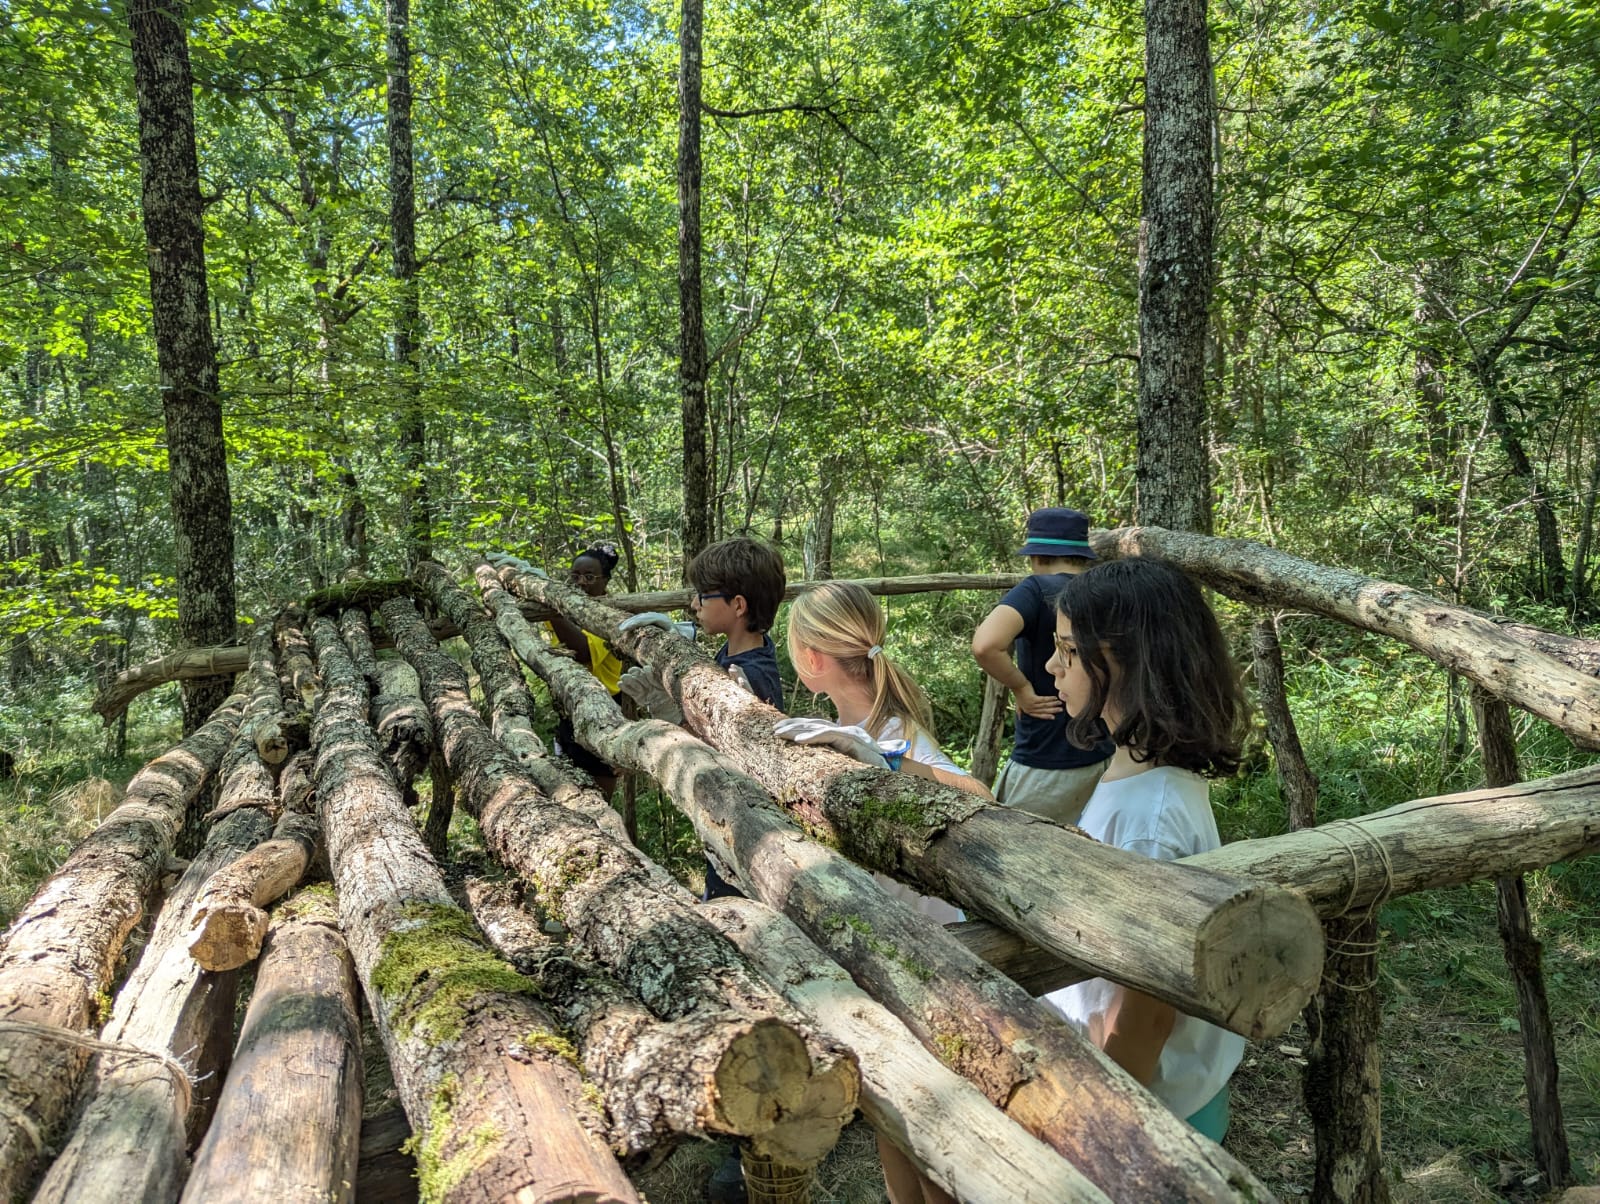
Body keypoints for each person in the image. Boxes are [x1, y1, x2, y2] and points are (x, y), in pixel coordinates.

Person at [774, 580, 989, 1204]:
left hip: (923, 954)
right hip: (878, 949)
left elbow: (978, 797)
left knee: (934, 1130)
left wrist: (886, 764)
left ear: (812, 659)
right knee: (890, 1107)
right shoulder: (847, 725)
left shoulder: (893, 735)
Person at [1040, 557, 1249, 1143]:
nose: (1052, 666)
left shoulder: (1147, 820)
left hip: (1143, 1106)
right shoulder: (1140, 773)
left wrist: (1097, 1125)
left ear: (1123, 659)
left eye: (1068, 651)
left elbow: (1146, 1010)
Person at [971, 507, 1114, 826]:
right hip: (1104, 755)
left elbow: (985, 645)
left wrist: (1021, 688)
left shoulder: (1035, 590)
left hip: (1045, 762)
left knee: (1010, 849)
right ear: (1082, 555)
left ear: (1036, 556)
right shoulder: (1106, 590)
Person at [545, 544, 625, 797]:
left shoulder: (610, 617)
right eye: (575, 576)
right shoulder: (571, 611)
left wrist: (552, 604)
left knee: (598, 796)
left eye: (589, 577)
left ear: (605, 581)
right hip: (569, 709)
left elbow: (582, 651)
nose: (581, 583)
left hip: (603, 711)